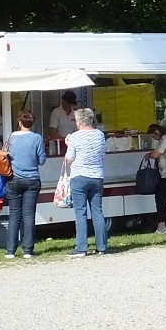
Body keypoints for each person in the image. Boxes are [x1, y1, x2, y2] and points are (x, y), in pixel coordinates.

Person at [66, 108, 108, 256]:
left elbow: (68, 159)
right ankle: (101, 246)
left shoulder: (75, 137)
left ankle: (81, 247)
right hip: (97, 176)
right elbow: (102, 154)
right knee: (97, 212)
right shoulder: (100, 135)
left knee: (80, 212)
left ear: (79, 122)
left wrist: (67, 144)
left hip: (79, 177)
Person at [4, 110, 46, 258]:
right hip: (32, 179)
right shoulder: (37, 138)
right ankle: (28, 250)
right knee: (29, 215)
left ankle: (10, 250)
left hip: (13, 179)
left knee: (14, 215)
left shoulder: (11, 137)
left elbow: (5, 156)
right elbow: (42, 160)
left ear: (20, 123)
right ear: (32, 123)